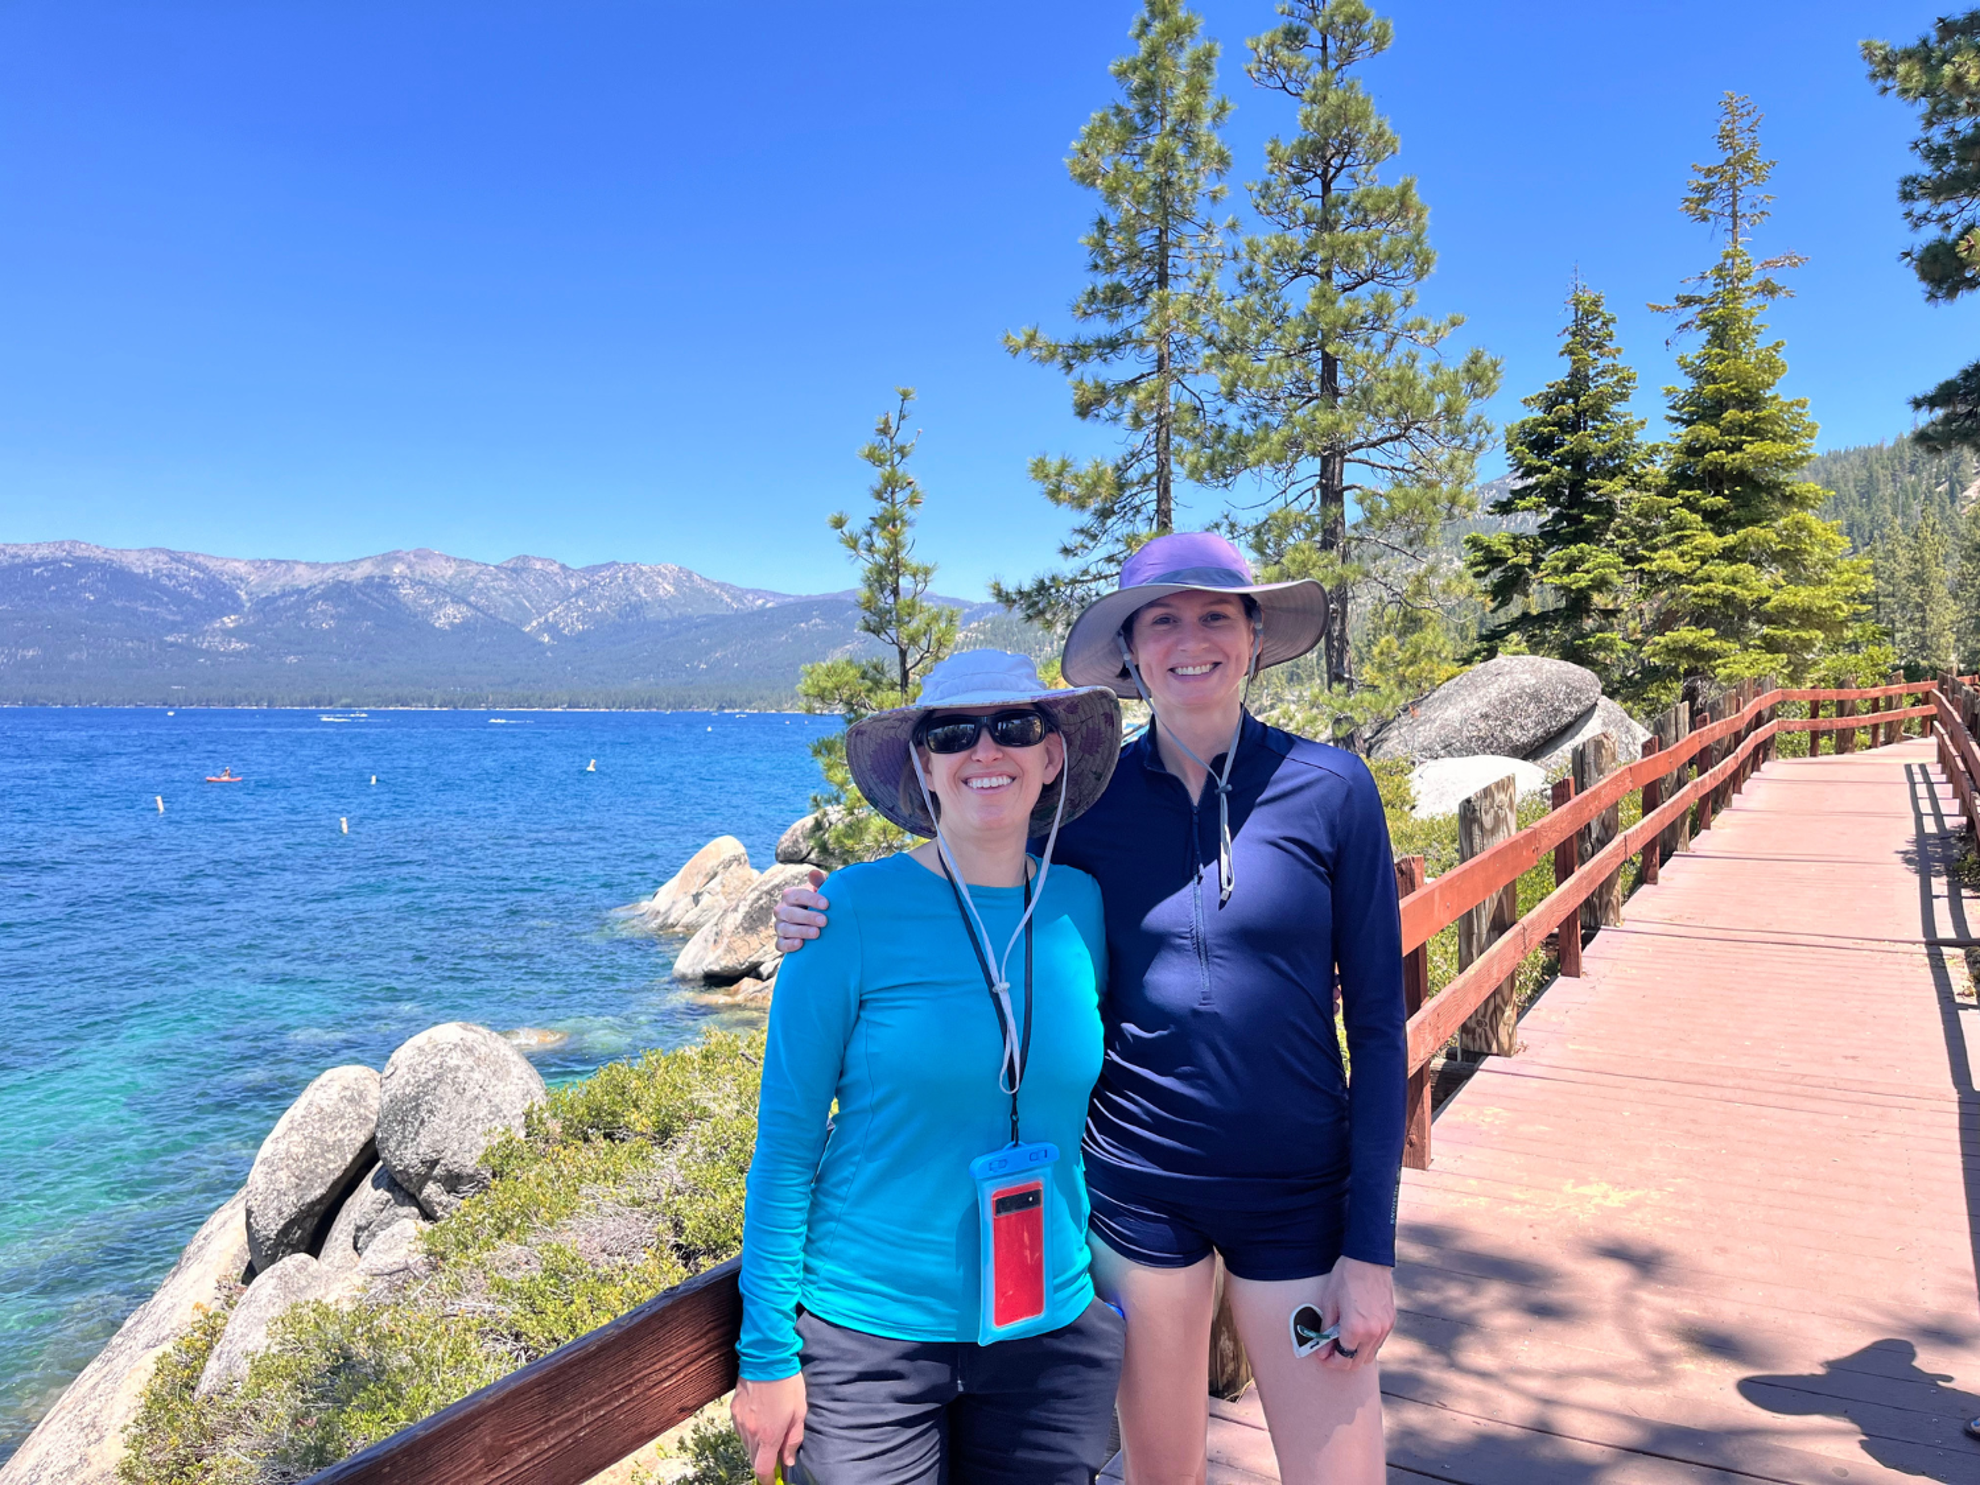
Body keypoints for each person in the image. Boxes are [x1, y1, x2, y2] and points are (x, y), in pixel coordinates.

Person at [776, 532, 1407, 1485]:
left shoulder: (1332, 789)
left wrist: (1371, 1249)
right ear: (1131, 654)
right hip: (1136, 1196)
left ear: (1253, 636)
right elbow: (974, 878)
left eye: (1215, 616)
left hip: (1301, 1195)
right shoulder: (1083, 816)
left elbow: (1381, 1030)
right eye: (1162, 621)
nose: (1189, 640)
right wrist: (817, 911)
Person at [733, 649, 1129, 1485]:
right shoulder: (843, 913)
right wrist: (765, 1354)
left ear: (1050, 755)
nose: (985, 750)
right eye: (953, 733)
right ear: (924, 765)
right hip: (868, 1336)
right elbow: (786, 1148)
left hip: (1049, 1331)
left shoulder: (1081, 904)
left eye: (1013, 726)